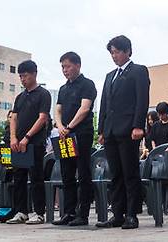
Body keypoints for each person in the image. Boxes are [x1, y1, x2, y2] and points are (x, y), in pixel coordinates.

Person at [96, 35, 150, 229]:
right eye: (111, 52)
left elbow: (142, 99)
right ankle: (117, 213)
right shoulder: (110, 75)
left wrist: (138, 125)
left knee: (130, 172)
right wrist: (101, 129)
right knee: (115, 174)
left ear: (127, 51)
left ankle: (131, 214)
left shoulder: (138, 71)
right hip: (110, 130)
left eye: (117, 51)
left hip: (128, 129)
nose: (114, 55)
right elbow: (103, 103)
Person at [52, 52, 97, 227]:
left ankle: (82, 214)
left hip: (81, 134)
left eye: (68, 66)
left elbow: (84, 109)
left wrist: (69, 127)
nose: (65, 70)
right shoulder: (63, 89)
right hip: (65, 135)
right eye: (62, 67)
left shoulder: (87, 84)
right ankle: (68, 212)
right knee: (67, 174)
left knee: (83, 173)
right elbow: (57, 110)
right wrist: (60, 126)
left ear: (78, 65)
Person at [6, 60, 51, 225]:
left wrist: (27, 137)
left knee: (36, 178)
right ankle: (21, 211)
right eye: (20, 76)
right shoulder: (20, 96)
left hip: (35, 142)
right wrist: (13, 138)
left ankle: (39, 212)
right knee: (18, 178)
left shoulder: (43, 94)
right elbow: (14, 117)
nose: (22, 79)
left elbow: (42, 118)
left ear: (34, 74)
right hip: (18, 143)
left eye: (25, 76)